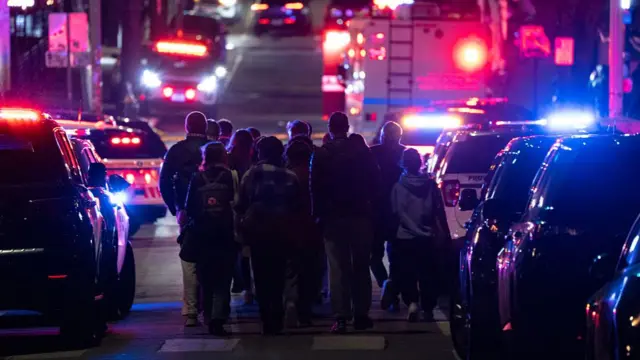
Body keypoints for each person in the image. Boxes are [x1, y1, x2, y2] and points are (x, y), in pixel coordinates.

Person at [310, 112, 380, 334]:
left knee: (337, 268)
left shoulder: (321, 154)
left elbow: (315, 189)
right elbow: (375, 181)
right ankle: (361, 314)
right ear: (347, 127)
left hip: (333, 218)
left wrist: (317, 216)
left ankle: (341, 316)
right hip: (360, 214)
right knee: (361, 266)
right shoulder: (362, 152)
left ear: (330, 129)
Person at [236, 136, 301, 335]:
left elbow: (240, 204)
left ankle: (266, 318)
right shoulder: (290, 176)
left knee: (261, 277)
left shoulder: (251, 175)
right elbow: (297, 206)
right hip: (282, 231)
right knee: (279, 275)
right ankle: (279, 314)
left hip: (258, 232)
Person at [159, 111, 209, 327]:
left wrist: (175, 207)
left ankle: (190, 310)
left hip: (186, 213)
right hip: (215, 211)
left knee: (189, 259)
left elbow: (163, 182)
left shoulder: (177, 151)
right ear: (206, 127)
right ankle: (211, 307)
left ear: (187, 127)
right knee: (213, 259)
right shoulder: (215, 148)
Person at [182, 142, 237, 335]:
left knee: (206, 278)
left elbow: (190, 208)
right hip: (225, 234)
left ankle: (207, 315)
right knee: (223, 278)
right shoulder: (230, 176)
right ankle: (218, 318)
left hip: (202, 234)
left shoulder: (197, 177)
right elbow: (236, 205)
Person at [390, 148, 448, 322]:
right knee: (428, 273)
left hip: (405, 236)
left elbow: (395, 211)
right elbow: (438, 210)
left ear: (403, 163)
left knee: (408, 272)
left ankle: (412, 302)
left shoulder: (398, 186)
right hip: (427, 236)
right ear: (420, 162)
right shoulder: (430, 184)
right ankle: (428, 307)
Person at [284, 140, 322, 327]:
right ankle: (305, 311)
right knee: (311, 271)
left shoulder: (286, 176)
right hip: (312, 229)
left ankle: (290, 301)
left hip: (289, 228)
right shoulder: (313, 174)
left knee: (291, 269)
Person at [370, 121, 406, 310]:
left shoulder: (373, 153)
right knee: (395, 257)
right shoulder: (404, 154)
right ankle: (391, 286)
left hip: (376, 212)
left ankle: (386, 284)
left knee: (374, 256)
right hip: (397, 212)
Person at [227, 129, 255, 303]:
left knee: (239, 251)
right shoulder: (253, 161)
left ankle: (243, 285)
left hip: (234, 212)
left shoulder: (229, 160)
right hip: (252, 211)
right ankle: (251, 287)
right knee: (251, 251)